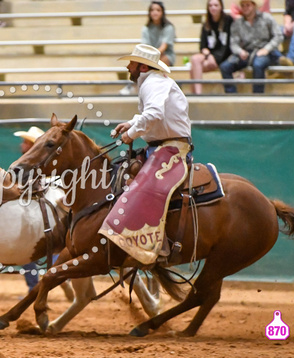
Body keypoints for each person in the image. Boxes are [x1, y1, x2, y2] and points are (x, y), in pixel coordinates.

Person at [100, 44, 192, 266]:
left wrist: (131, 134)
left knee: (146, 186)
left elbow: (154, 114)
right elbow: (152, 115)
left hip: (171, 148)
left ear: (142, 66)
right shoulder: (152, 82)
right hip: (162, 146)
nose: (128, 66)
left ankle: (158, 244)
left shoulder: (153, 82)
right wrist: (131, 123)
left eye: (131, 63)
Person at [13, 127, 75, 301]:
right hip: (48, 215)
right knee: (53, 246)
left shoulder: (31, 167)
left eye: (26, 142)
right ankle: (60, 278)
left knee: (29, 251)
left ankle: (35, 288)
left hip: (36, 216)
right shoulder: (45, 168)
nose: (23, 145)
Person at [219, 0, 283, 93]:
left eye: (248, 5)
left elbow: (278, 36)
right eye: (243, 5)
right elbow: (233, 43)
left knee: (258, 65)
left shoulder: (267, 18)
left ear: (254, 6)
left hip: (264, 51)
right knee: (225, 67)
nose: (245, 8)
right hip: (246, 52)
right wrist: (239, 51)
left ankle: (257, 96)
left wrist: (267, 49)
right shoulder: (237, 23)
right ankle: (231, 95)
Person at [120, 1, 175, 95]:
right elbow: (145, 47)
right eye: (152, 10)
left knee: (150, 63)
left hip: (165, 56)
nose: (155, 12)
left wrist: (150, 57)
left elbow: (164, 47)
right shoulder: (146, 28)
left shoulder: (168, 27)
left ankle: (142, 87)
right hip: (148, 57)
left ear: (162, 12)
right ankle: (133, 86)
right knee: (137, 64)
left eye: (158, 10)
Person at [190, 0, 234, 94]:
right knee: (194, 59)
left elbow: (228, 46)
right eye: (210, 6)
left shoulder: (228, 21)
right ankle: (198, 94)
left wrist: (215, 58)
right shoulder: (206, 24)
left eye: (215, 5)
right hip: (210, 56)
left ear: (221, 7)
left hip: (225, 56)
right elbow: (203, 46)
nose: (213, 8)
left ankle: (197, 95)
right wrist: (209, 55)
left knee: (193, 68)